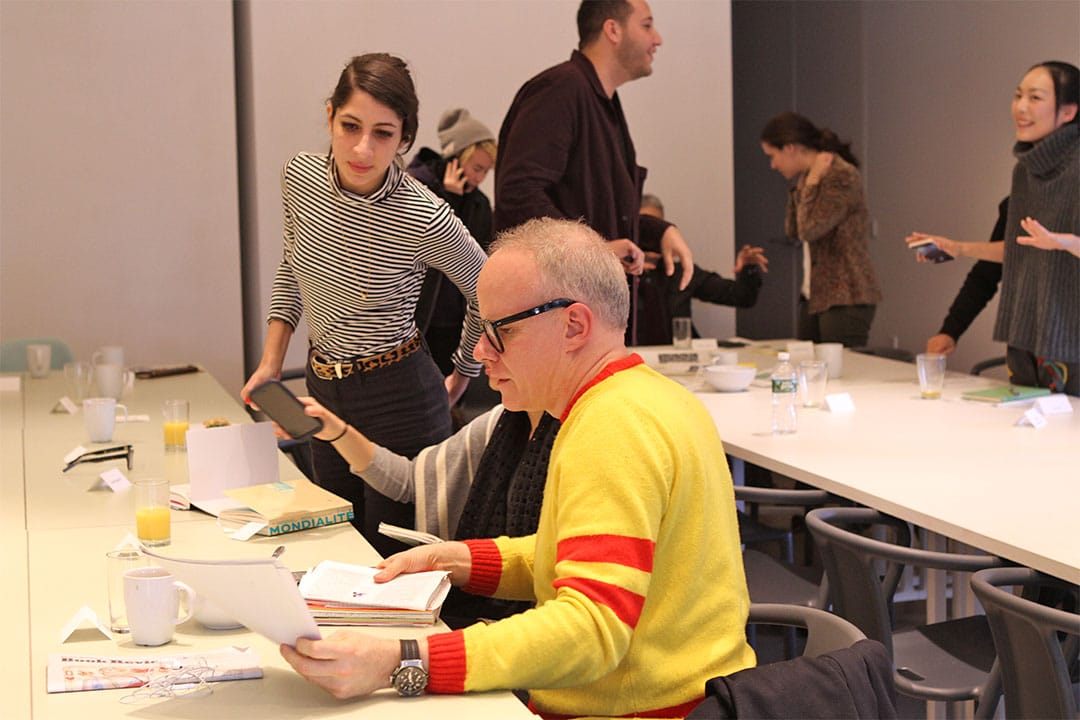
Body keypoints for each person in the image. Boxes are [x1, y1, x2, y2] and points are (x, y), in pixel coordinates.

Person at [281, 218, 755, 717]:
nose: (481, 352)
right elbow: (591, 556)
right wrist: (461, 560)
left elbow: (591, 630)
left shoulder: (611, 425)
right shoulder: (653, 398)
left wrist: (402, 660)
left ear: (574, 325)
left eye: (500, 332)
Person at [240, 54, 488, 557]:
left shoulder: (425, 213)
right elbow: (293, 264)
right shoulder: (300, 178)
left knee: (391, 562)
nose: (361, 148)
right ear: (330, 115)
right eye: (350, 126)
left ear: (404, 139)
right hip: (323, 388)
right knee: (336, 550)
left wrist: (461, 373)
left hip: (400, 398)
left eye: (382, 133)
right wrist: (270, 361)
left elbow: (486, 289)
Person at [493, 0, 695, 344]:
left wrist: (657, 231)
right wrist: (594, 252)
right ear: (612, 30)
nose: (657, 38)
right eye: (646, 25)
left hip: (581, 321)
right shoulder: (561, 90)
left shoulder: (602, 102)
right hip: (556, 326)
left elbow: (596, 210)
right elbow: (518, 195)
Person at [295, 396, 559, 627]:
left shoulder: (579, 437)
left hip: (526, 626)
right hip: (481, 611)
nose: (480, 352)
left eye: (505, 335)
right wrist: (335, 431)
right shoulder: (502, 422)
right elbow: (410, 480)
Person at [905, 61, 1078, 395]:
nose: (1021, 107)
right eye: (1018, 96)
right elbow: (1012, 252)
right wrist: (956, 247)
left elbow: (1049, 244)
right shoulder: (1026, 174)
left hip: (1070, 339)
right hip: (1029, 337)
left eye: (1036, 97)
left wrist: (1066, 242)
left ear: (1068, 111)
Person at [761, 111, 883, 347]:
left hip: (846, 295)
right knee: (807, 372)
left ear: (790, 148)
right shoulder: (807, 177)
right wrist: (806, 184)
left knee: (839, 375)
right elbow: (793, 230)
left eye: (773, 156)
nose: (772, 165)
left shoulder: (840, 175)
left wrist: (813, 182)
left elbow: (810, 229)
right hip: (815, 295)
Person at [408, 108, 497, 376]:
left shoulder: (479, 204)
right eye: (477, 168)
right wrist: (447, 198)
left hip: (455, 317)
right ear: (455, 159)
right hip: (415, 313)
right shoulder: (416, 187)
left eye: (486, 171)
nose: (480, 178)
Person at [638, 193, 767, 343]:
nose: (650, 236)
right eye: (645, 229)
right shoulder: (615, 276)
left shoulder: (681, 272)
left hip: (679, 359)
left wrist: (748, 268)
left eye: (656, 227)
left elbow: (742, 296)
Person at [923, 198, 1008, 356]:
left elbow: (1023, 252)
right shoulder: (1015, 202)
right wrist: (950, 330)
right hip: (1022, 341)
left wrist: (959, 248)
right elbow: (985, 275)